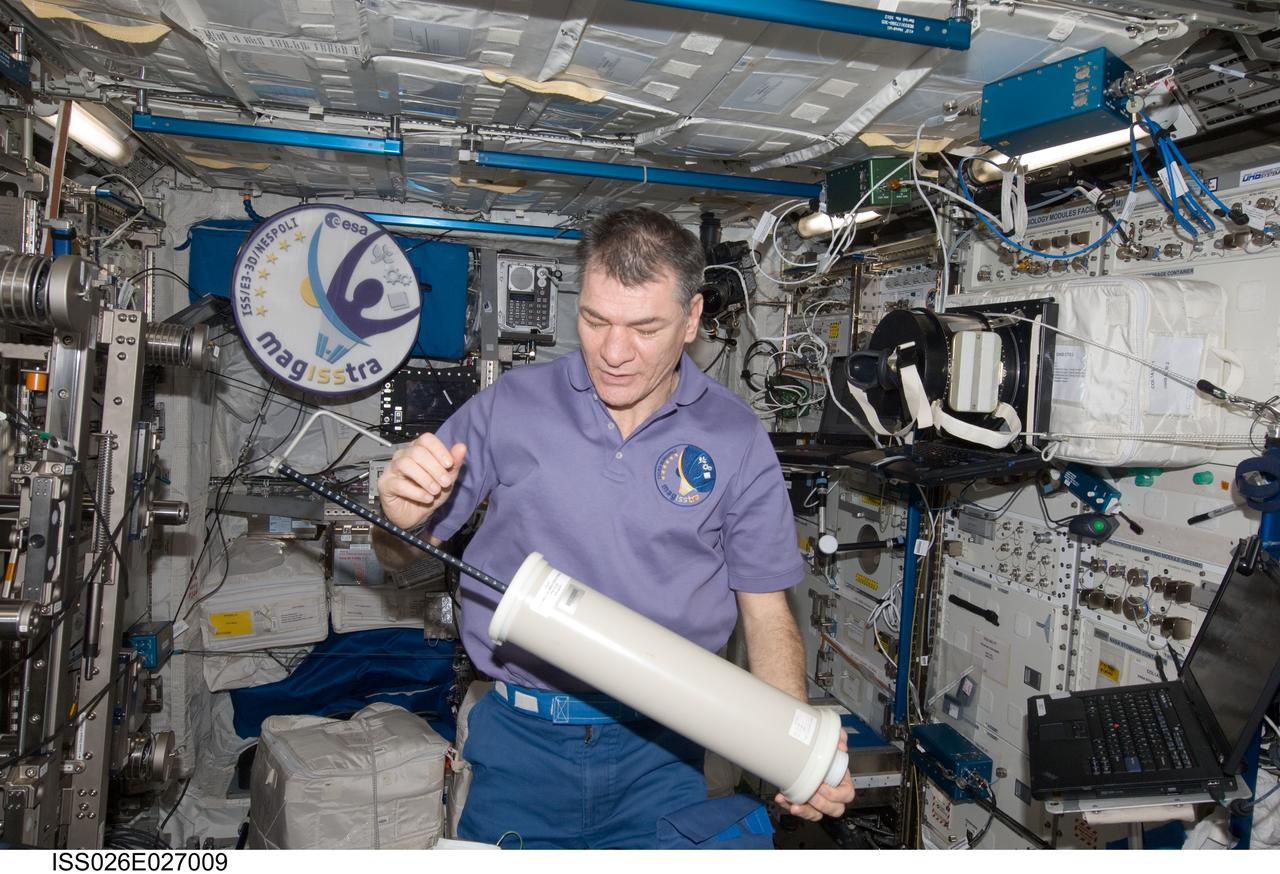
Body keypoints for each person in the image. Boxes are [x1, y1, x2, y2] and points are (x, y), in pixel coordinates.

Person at [375, 207, 854, 848]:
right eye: (595, 321)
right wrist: (397, 517)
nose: (614, 352)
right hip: (521, 744)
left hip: (663, 748)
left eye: (644, 327)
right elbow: (397, 557)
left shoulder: (736, 437)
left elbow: (766, 614)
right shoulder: (512, 405)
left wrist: (794, 754)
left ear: (691, 320)